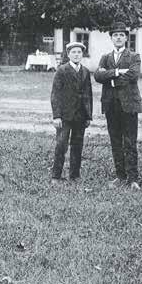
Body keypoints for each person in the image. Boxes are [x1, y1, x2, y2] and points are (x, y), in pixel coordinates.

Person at [94, 23, 142, 189]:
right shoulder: (105, 57)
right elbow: (98, 76)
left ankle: (133, 178)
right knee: (115, 141)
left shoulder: (134, 56)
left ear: (126, 38)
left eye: (121, 35)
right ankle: (120, 176)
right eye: (115, 35)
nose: (118, 38)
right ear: (111, 38)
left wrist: (111, 80)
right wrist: (116, 72)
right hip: (110, 104)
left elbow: (133, 75)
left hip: (129, 104)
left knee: (130, 141)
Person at [50, 41, 93, 183]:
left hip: (80, 116)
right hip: (65, 116)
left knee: (77, 145)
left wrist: (88, 116)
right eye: (73, 52)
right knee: (61, 144)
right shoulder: (62, 70)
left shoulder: (85, 71)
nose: (76, 54)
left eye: (79, 52)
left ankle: (74, 176)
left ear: (82, 54)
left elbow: (88, 95)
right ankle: (56, 176)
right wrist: (56, 116)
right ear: (68, 54)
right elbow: (55, 94)